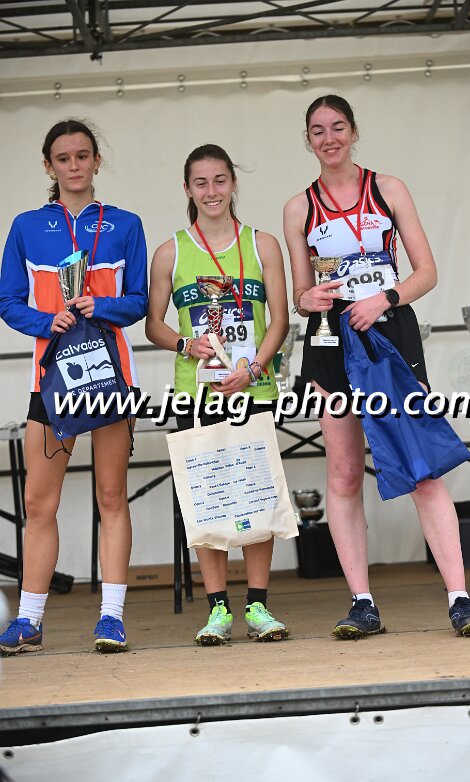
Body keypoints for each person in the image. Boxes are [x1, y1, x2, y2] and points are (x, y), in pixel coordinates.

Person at [283, 95, 470, 638]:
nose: (329, 138)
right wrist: (306, 300)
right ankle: (362, 603)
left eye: (338, 127)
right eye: (318, 130)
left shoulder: (389, 188)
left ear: (353, 132)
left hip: (389, 331)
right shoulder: (299, 207)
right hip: (330, 341)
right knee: (344, 472)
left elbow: (427, 272)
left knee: (421, 465)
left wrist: (386, 298)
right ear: (307, 140)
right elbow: (301, 291)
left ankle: (461, 598)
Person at [0, 119, 148, 654]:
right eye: (63, 158)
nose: (74, 165)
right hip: (51, 378)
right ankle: (29, 621)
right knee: (39, 503)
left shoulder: (125, 223)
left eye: (83, 155)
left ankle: (111, 618)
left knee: (111, 495)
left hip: (110, 376)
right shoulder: (26, 226)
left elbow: (140, 299)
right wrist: (48, 320)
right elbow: (7, 301)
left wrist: (99, 306)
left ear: (96, 161)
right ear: (49, 166)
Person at [146, 143, 290, 645]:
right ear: (188, 189)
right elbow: (153, 324)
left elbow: (280, 320)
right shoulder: (170, 252)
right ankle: (218, 611)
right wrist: (186, 343)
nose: (212, 191)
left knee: (256, 495)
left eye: (220, 180)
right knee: (207, 500)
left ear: (233, 183)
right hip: (197, 393)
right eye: (201, 182)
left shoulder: (263, 244)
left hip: (253, 387)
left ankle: (257, 606)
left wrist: (253, 368)